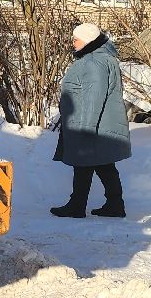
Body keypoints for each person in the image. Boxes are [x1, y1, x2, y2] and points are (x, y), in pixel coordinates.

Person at [51, 22, 132, 218]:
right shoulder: (101, 59)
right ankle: (115, 204)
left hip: (91, 123)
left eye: (76, 38)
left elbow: (93, 97)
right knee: (104, 164)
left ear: (87, 40)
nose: (73, 42)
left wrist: (86, 127)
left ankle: (77, 206)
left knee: (84, 164)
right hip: (101, 124)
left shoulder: (93, 62)